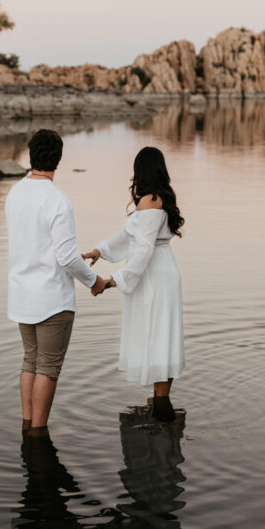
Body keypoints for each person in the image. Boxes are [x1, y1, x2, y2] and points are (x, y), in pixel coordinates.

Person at [5, 129, 109, 435]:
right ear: (59, 159)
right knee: (48, 367)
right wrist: (94, 280)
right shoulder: (58, 201)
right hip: (51, 300)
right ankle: (38, 434)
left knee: (30, 361)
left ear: (30, 155)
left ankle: (27, 426)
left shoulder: (14, 193)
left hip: (21, 295)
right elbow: (65, 258)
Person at [83, 146, 185, 422]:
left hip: (154, 276)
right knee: (161, 338)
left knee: (158, 338)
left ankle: (162, 411)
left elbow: (142, 252)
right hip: (163, 272)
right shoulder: (159, 198)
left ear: (141, 171)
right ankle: (161, 407)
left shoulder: (148, 202)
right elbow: (128, 235)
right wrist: (100, 251)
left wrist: (112, 281)